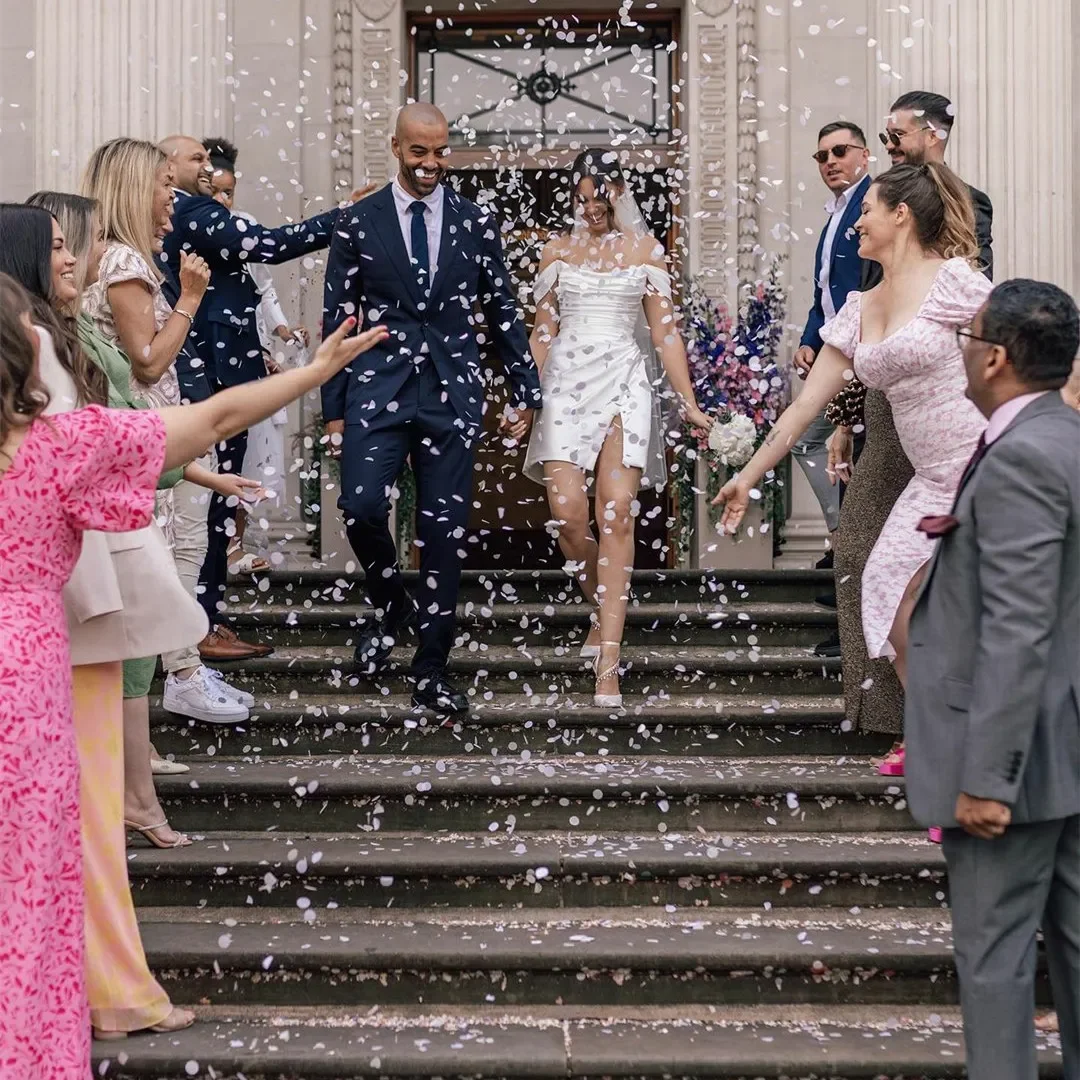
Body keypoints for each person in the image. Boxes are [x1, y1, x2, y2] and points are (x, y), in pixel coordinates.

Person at [0, 266, 386, 1078]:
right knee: (28, 877)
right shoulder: (59, 447)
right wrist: (311, 375)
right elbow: (211, 417)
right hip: (23, 673)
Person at [714, 162, 991, 778]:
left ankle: (970, 743)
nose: (855, 222)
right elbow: (801, 410)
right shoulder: (859, 307)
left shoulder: (955, 283)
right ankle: (942, 733)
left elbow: (1021, 352)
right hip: (931, 478)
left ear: (901, 216)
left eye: (867, 210)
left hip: (983, 467)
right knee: (885, 592)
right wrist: (748, 474)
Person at [905, 279, 1080, 1080]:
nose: (962, 352)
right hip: (1065, 753)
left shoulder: (1022, 460)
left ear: (997, 357)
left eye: (967, 337)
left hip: (1019, 763)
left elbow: (1018, 625)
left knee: (997, 961)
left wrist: (987, 776)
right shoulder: (1067, 439)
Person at [322, 102, 543, 715]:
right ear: (396, 147)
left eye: (441, 151)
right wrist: (333, 405)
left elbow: (501, 310)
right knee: (361, 505)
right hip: (377, 388)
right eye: (419, 152)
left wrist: (524, 389)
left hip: (453, 394)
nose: (431, 164)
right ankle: (393, 606)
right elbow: (337, 317)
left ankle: (431, 669)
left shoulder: (475, 222)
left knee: (442, 534)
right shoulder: (357, 221)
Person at [82, 137, 268, 717]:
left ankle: (185, 669)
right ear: (139, 189)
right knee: (169, 558)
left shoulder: (126, 256)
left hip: (156, 433)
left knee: (182, 549)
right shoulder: (125, 262)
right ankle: (180, 675)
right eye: (165, 184)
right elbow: (148, 360)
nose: (177, 194)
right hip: (147, 436)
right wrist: (190, 297)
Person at [522, 149, 711, 707]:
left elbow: (666, 335)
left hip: (624, 383)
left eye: (598, 198)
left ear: (618, 191)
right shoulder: (555, 251)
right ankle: (600, 607)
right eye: (581, 199)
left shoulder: (646, 252)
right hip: (564, 384)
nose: (590, 209)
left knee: (616, 514)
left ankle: (608, 659)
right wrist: (524, 396)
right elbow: (542, 332)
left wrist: (690, 402)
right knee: (568, 515)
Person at [159, 133, 341, 627]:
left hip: (220, 371)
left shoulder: (187, 211)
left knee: (215, 505)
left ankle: (206, 619)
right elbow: (272, 244)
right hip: (212, 380)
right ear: (166, 167)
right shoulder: (195, 212)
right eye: (196, 158)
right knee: (211, 508)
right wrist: (347, 215)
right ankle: (203, 624)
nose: (208, 167)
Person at [204, 135, 310, 573]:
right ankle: (214, 548)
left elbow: (263, 285)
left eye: (230, 191)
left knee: (249, 450)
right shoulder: (192, 226)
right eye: (215, 191)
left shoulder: (243, 224)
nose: (224, 199)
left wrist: (281, 330)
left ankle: (235, 543)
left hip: (250, 343)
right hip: (212, 349)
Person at [790, 121, 872, 657]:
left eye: (839, 151)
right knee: (810, 441)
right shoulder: (835, 213)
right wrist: (807, 339)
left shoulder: (874, 206)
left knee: (818, 441)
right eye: (821, 156)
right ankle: (842, 542)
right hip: (832, 351)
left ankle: (845, 547)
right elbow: (825, 292)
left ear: (864, 153)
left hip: (862, 357)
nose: (830, 162)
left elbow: (867, 287)